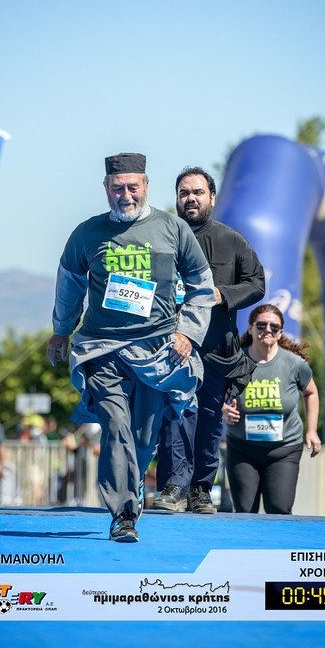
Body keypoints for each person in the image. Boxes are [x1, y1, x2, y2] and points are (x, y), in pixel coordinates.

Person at [47, 152, 215, 542]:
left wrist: (188, 333)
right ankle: (123, 514)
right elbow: (69, 286)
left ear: (146, 186)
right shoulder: (87, 234)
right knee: (115, 426)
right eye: (117, 188)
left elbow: (201, 285)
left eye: (132, 187)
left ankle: (133, 479)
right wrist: (61, 330)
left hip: (158, 352)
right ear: (106, 188)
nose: (125, 195)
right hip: (102, 348)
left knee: (143, 437)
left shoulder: (173, 228)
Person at [153, 167, 265, 513]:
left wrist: (223, 294)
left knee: (209, 420)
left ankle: (201, 489)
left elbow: (257, 284)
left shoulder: (232, 241)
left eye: (198, 192)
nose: (191, 198)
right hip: (172, 350)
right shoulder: (160, 237)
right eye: (184, 193)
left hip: (216, 351)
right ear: (177, 198)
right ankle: (174, 486)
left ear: (212, 198)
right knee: (175, 416)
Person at [222, 303, 321, 514]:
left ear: (280, 333)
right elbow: (215, 394)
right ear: (250, 328)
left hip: (284, 450)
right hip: (243, 449)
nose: (267, 330)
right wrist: (224, 409)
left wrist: (312, 431)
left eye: (274, 327)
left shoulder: (294, 364)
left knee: (279, 508)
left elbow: (311, 393)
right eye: (261, 325)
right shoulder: (235, 361)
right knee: (245, 511)